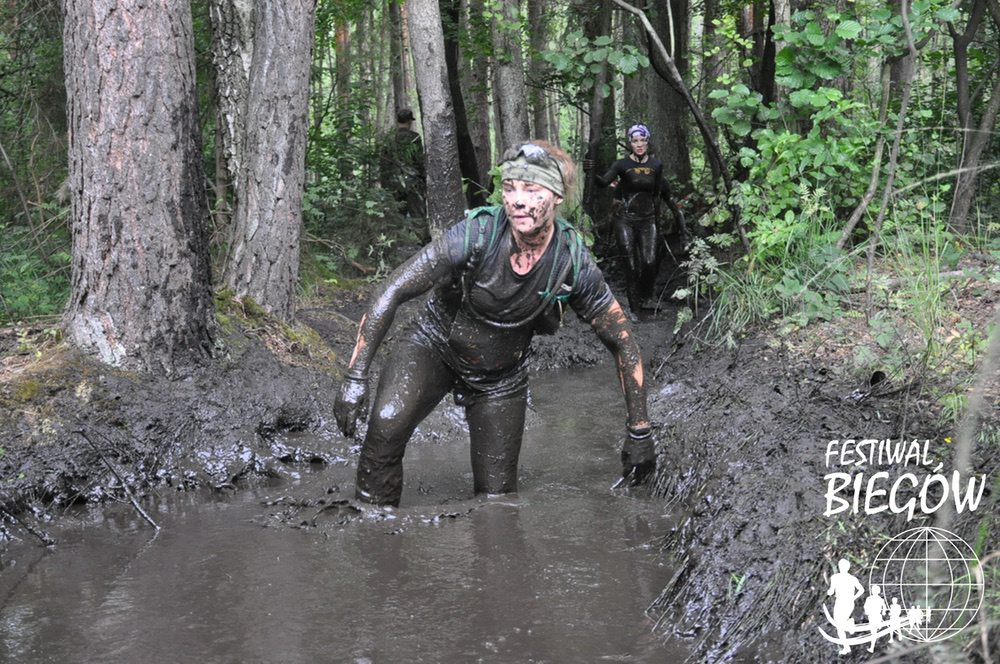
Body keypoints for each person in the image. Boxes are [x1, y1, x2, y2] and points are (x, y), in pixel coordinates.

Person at [334, 141, 654, 507]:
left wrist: (639, 431)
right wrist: (355, 376)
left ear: (556, 197)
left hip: (501, 377)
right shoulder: (477, 233)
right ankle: (372, 523)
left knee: (497, 501)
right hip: (433, 345)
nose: (517, 200)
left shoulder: (571, 261)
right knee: (385, 426)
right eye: (510, 188)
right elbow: (392, 289)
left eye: (531, 190)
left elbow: (622, 340)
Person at [586, 124, 687, 317]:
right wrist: (590, 170)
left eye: (642, 140)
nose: (639, 144)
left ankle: (646, 297)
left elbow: (658, 193)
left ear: (647, 142)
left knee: (649, 261)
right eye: (635, 141)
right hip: (625, 220)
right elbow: (603, 182)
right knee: (630, 266)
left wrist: (663, 222)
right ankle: (634, 310)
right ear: (630, 143)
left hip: (648, 220)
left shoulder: (656, 165)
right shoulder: (621, 165)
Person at [380, 108, 426, 221]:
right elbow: (419, 161)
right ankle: (421, 234)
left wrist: (385, 185)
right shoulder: (415, 137)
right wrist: (424, 180)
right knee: (418, 218)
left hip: (394, 183)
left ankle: (400, 234)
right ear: (409, 121)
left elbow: (384, 163)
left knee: (397, 219)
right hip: (413, 182)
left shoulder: (389, 139)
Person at [826, 558, 865, 654]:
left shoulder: (837, 577)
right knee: (839, 626)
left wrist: (853, 598)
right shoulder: (849, 578)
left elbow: (831, 591)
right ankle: (847, 644)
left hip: (843, 602)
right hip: (844, 602)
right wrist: (853, 598)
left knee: (839, 626)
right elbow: (861, 590)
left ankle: (849, 624)